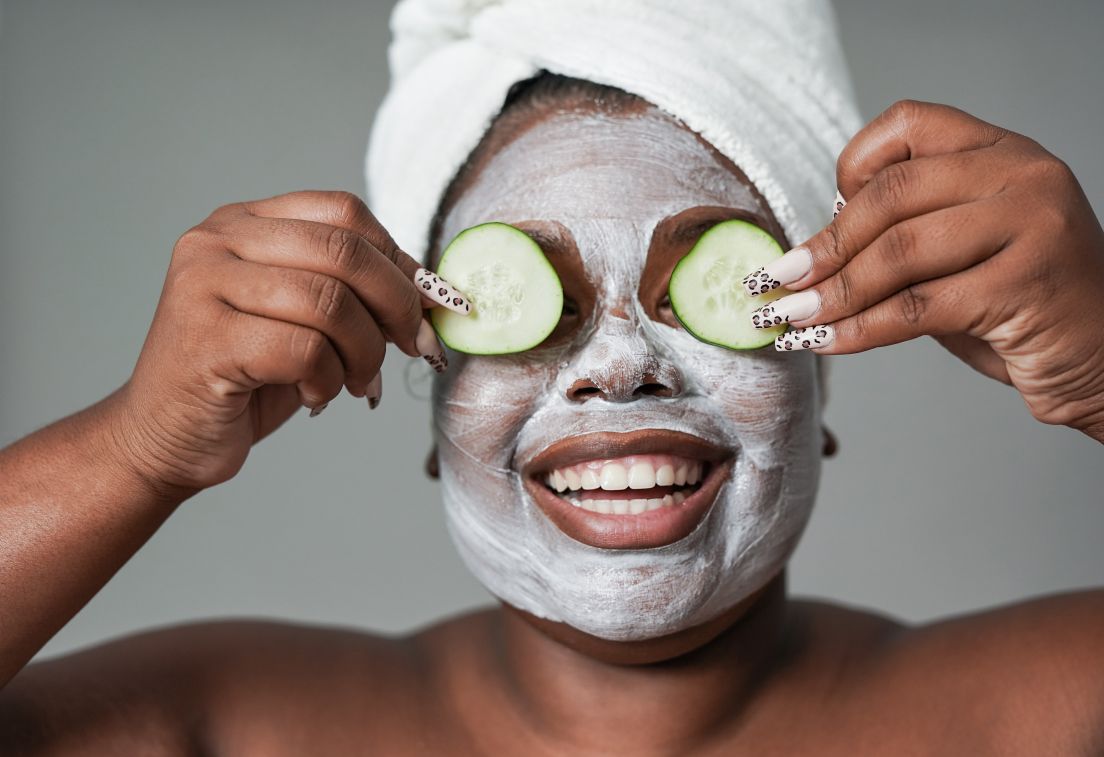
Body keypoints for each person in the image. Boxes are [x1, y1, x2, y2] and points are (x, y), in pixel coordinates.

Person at [2, 1, 1103, 754]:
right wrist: (135, 449)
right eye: (530, 311)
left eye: (707, 297)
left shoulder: (1049, 712)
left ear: (819, 397)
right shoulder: (224, 727)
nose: (619, 370)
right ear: (436, 418)